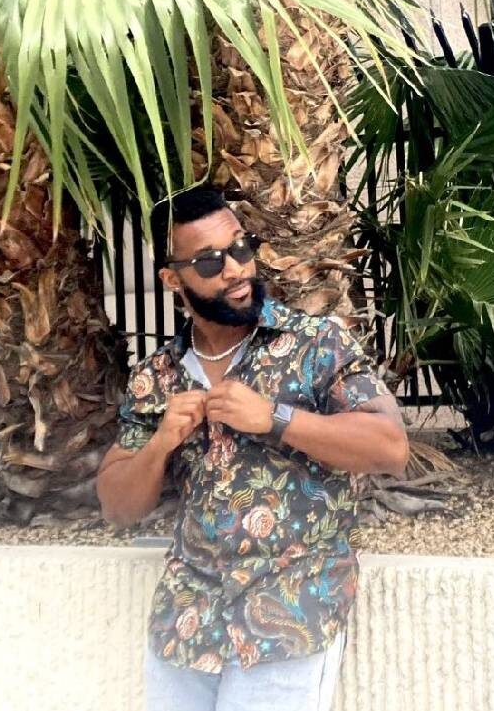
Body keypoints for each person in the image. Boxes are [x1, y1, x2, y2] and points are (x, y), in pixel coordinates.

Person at [96, 187, 408, 711]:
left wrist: (276, 418)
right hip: (186, 624)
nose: (236, 269)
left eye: (241, 248)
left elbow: (390, 445)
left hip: (286, 617)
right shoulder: (157, 377)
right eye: (210, 261)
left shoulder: (314, 344)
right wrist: (160, 444)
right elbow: (117, 505)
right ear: (172, 279)